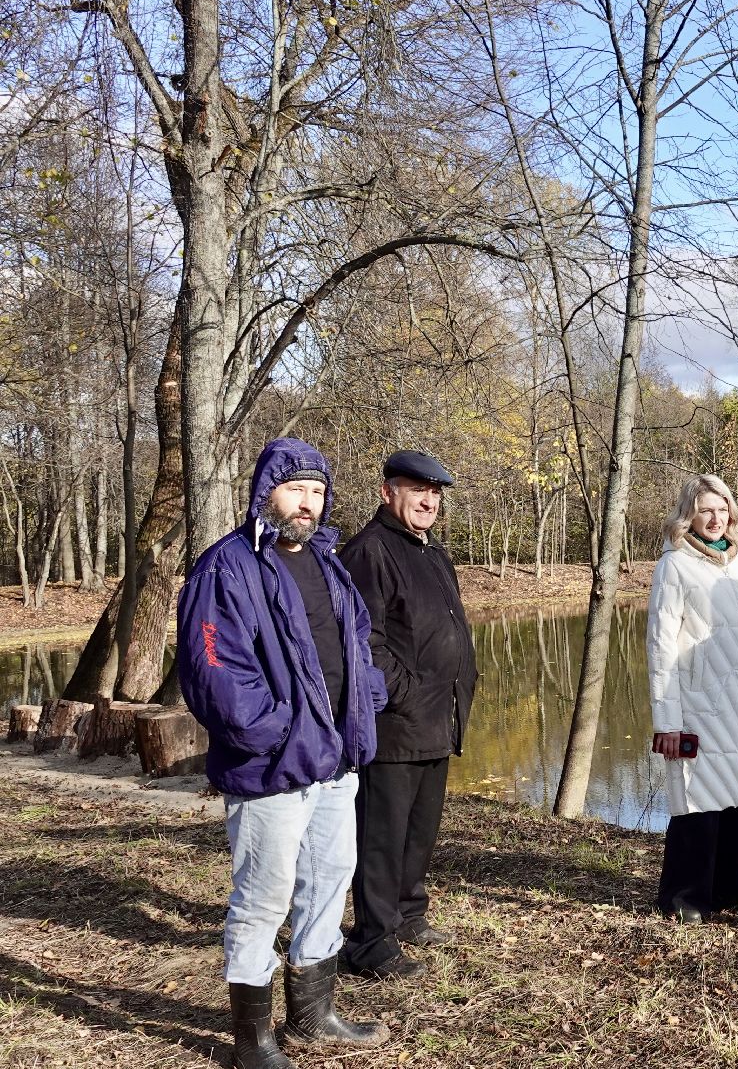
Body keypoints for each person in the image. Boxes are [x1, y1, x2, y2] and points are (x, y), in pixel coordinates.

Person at [176, 438, 389, 1069]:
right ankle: (252, 1042)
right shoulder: (227, 567)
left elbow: (355, 643)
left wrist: (366, 699)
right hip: (270, 768)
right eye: (296, 488)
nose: (309, 503)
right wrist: (272, 731)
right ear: (267, 489)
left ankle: (312, 1017)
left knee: (327, 883)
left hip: (335, 763)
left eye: (318, 490)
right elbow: (213, 669)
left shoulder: (329, 564)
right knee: (261, 900)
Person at [338, 450, 476, 980]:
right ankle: (370, 939)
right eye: (417, 490)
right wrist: (404, 691)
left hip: (439, 716)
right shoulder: (369, 551)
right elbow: (362, 638)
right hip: (394, 722)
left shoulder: (431, 551)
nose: (429, 500)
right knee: (382, 833)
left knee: (420, 827)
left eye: (435, 492)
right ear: (387, 492)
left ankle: (408, 914)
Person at [646, 474, 738, 922]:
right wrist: (666, 720)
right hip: (700, 703)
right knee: (699, 801)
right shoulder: (673, 566)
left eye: (722, 508)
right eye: (705, 509)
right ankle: (684, 898)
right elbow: (661, 646)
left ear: (732, 513)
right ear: (688, 514)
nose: (715, 518)